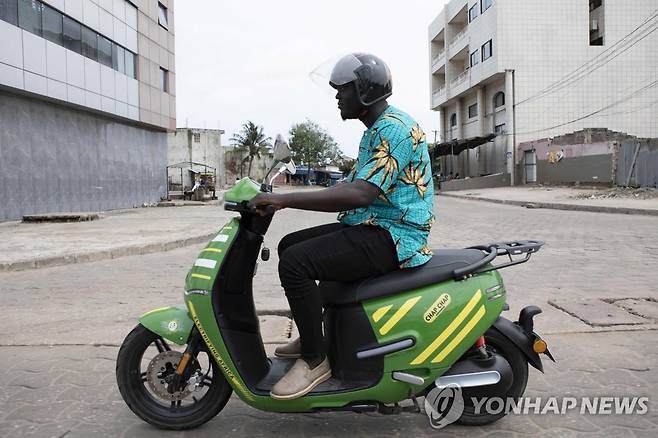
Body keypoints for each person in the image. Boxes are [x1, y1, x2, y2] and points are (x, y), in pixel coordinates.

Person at [249, 53, 435, 400]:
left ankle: (315, 360)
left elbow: (360, 193)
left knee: (295, 264)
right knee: (291, 245)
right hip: (375, 225)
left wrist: (285, 200)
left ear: (364, 91)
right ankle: (314, 333)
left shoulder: (393, 129)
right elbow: (345, 187)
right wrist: (281, 196)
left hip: (395, 235)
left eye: (342, 90)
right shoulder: (377, 130)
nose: (337, 97)